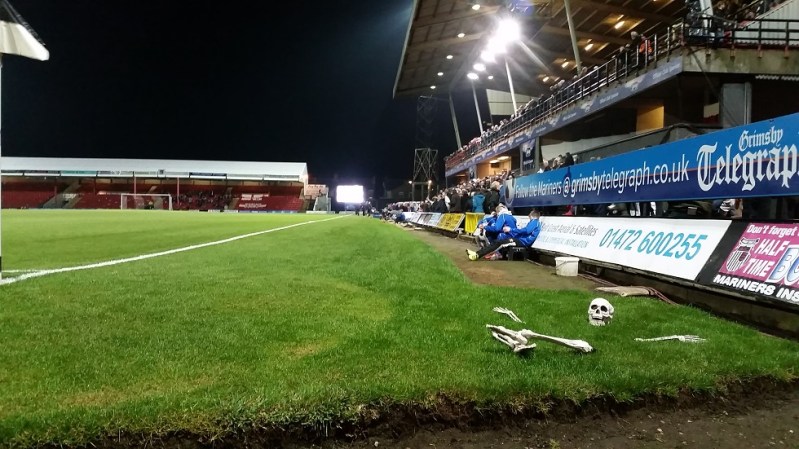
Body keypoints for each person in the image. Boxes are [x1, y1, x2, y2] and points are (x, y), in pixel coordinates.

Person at [466, 209, 542, 261]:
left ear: (531, 215)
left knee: (500, 243)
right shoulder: (535, 223)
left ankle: (477, 255)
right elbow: (526, 231)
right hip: (519, 240)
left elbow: (527, 230)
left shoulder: (535, 222)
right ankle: (477, 253)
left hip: (522, 242)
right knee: (498, 242)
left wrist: (511, 229)